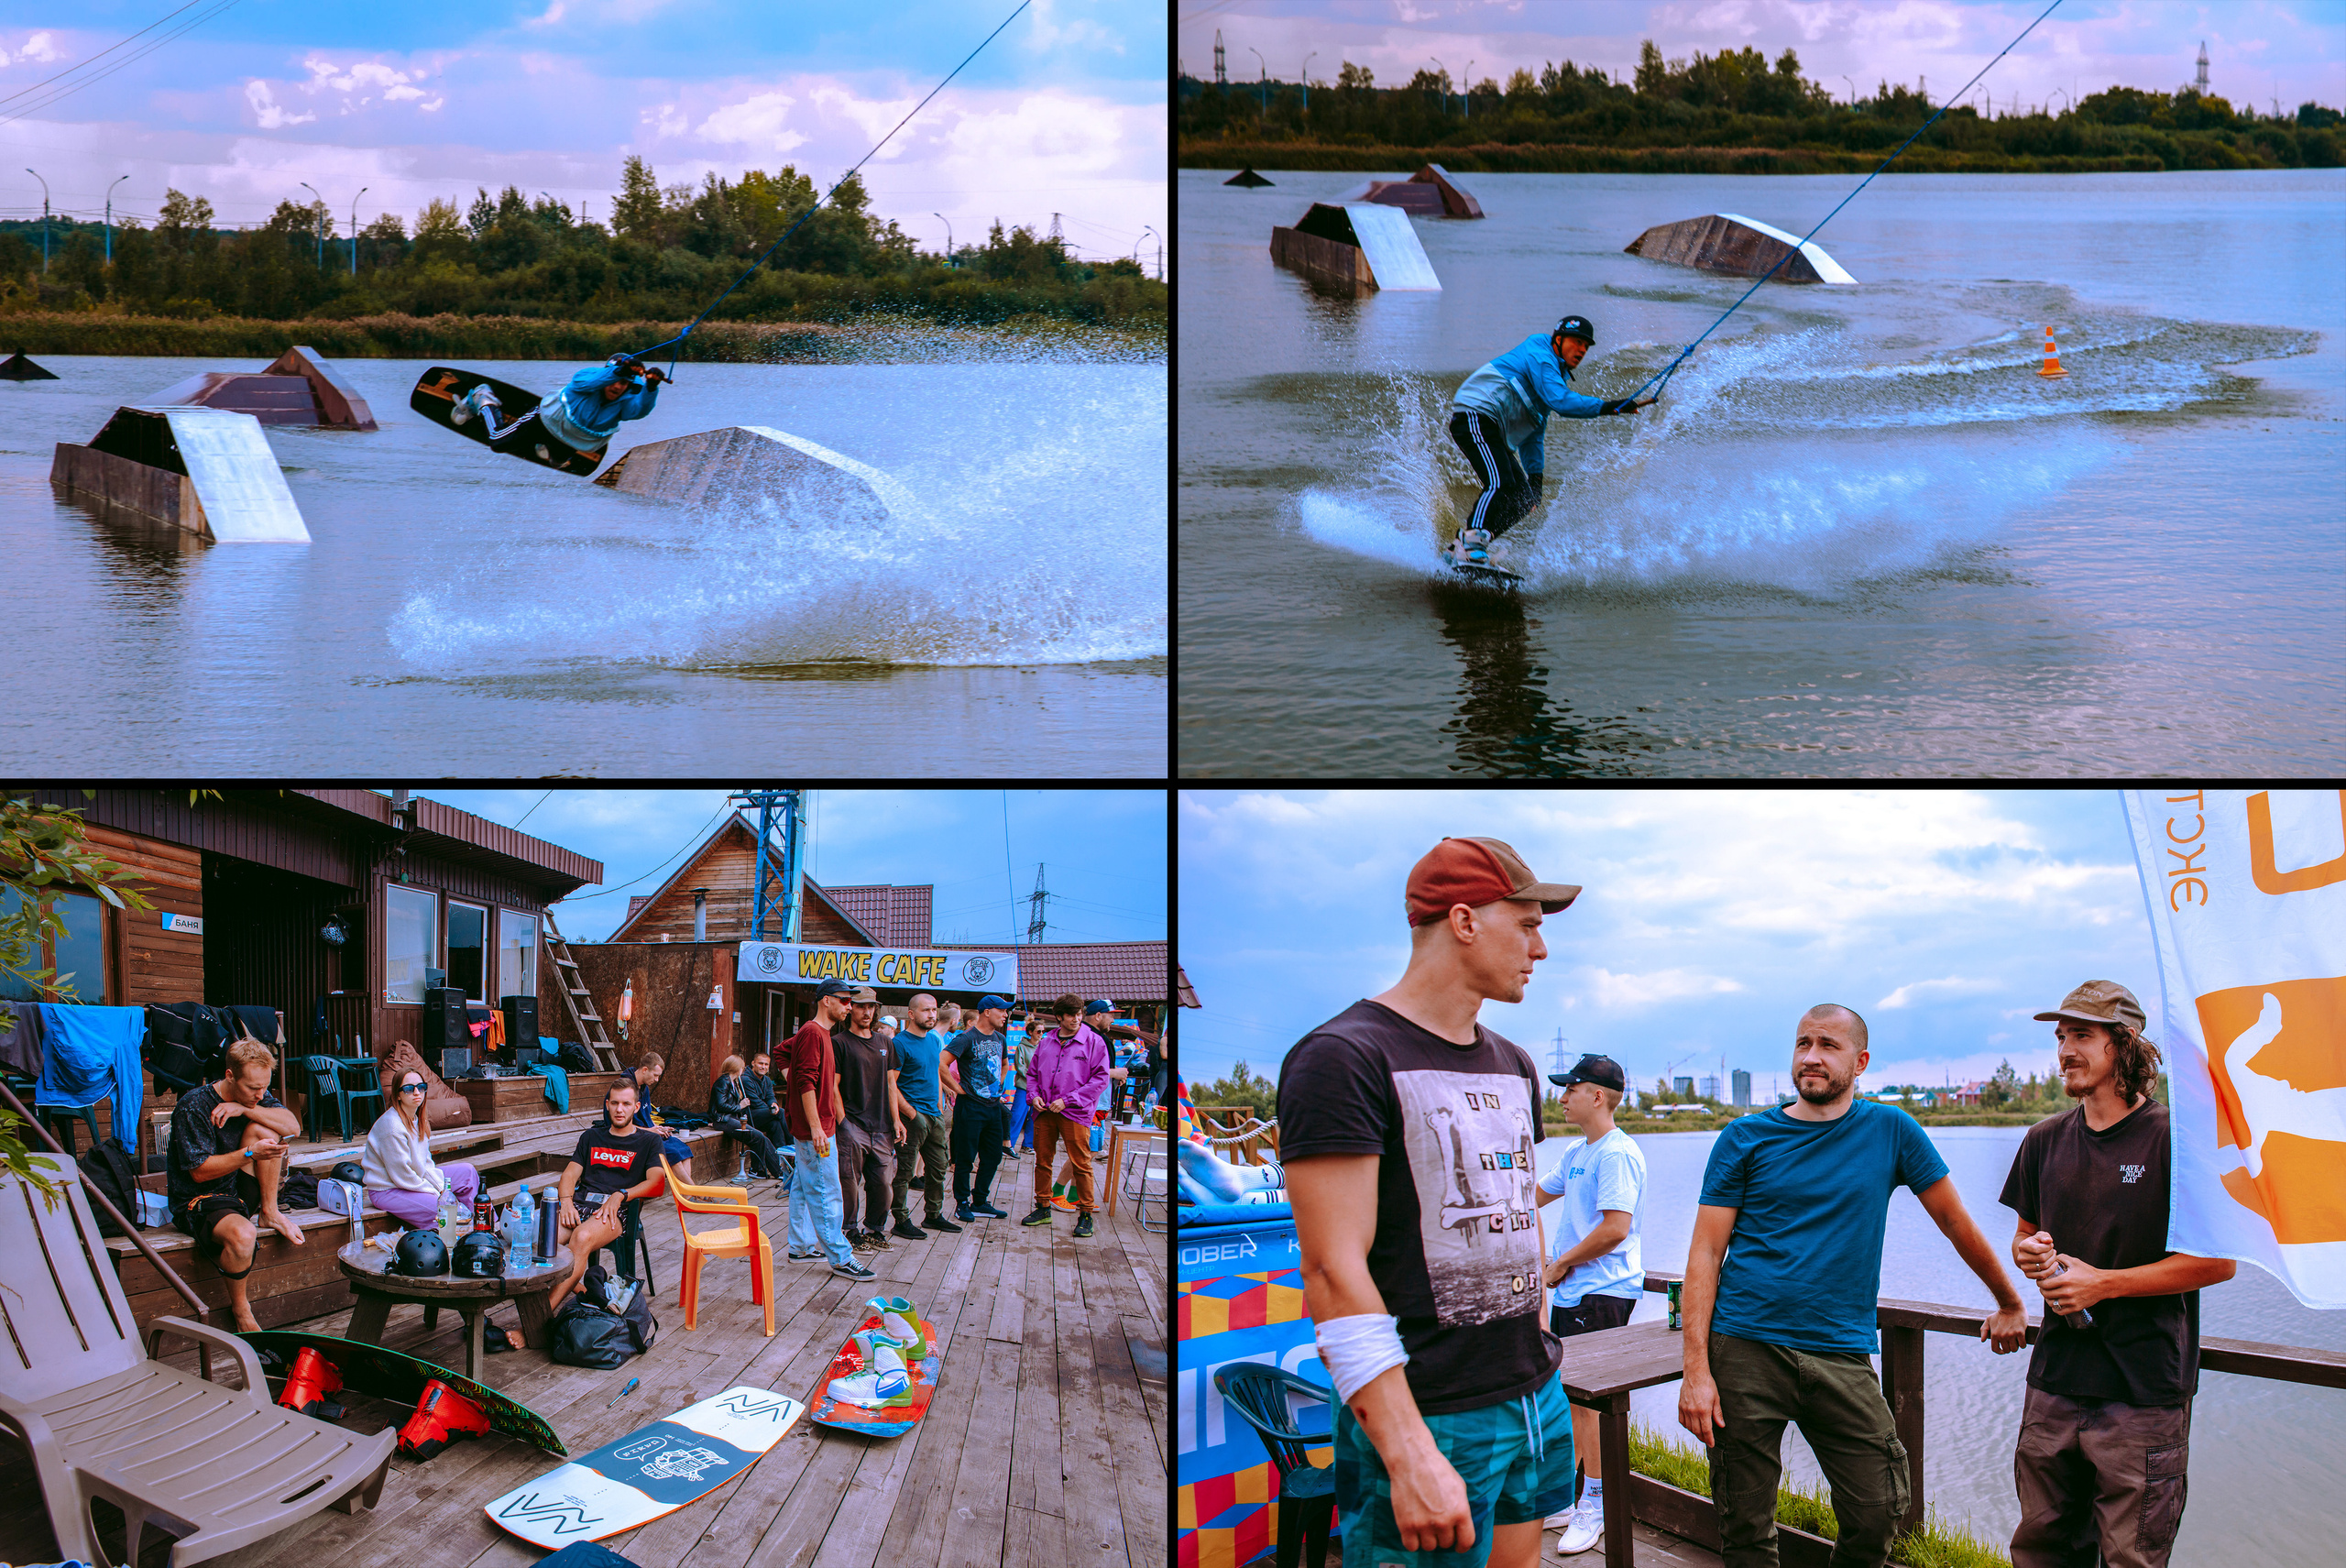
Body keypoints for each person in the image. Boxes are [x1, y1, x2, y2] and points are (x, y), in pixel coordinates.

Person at [1281, 836, 1583, 1568]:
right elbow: (1329, 1269)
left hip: (1533, 1391)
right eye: (1529, 921)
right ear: (1464, 920)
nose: (1541, 947)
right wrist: (1407, 1449)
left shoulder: (1515, 1062)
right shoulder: (1344, 1056)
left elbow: (1521, 1211)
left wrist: (1536, 1337)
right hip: (1429, 1409)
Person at [1680, 1003, 2029, 1568]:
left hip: (1839, 1351)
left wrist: (2009, 1299)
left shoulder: (1891, 1130)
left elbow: (1955, 1222)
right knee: (1743, 1520)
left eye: (1828, 1045)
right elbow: (1704, 1255)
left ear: (1860, 1061)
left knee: (1878, 1505)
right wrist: (1697, 1371)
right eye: (1802, 1043)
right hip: (1745, 1346)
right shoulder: (1744, 1138)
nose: (1811, 1057)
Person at [2001, 981, 2234, 1568]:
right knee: (2041, 1549)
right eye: (2060, 1037)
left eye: (2082, 1035)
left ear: (2124, 1042)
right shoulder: (2043, 1140)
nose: (2065, 1051)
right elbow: (2025, 1236)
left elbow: (2218, 1263)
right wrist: (2031, 1255)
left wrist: (2103, 1283)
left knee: (2133, 1557)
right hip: (2054, 1381)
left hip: (2143, 1390)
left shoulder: (2175, 1143)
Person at [1533, 1053, 1646, 1558]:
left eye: (1569, 1088)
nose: (1561, 1097)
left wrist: (1559, 1265)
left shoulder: (1615, 1154)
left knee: (1590, 1406)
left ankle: (1596, 1505)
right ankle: (1581, 1496)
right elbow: (1532, 1195)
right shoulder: (1580, 1152)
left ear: (1596, 1096)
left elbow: (1615, 1228)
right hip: (1577, 1292)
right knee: (1571, 1400)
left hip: (1602, 1291)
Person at [1447, 315, 1655, 565]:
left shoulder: (1555, 374)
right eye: (1577, 342)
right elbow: (1561, 402)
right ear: (1558, 339)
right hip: (1475, 414)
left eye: (1586, 347)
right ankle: (1470, 543)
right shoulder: (1540, 354)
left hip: (1492, 427)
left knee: (1525, 499)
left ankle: (1462, 547)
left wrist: (1536, 479)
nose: (1581, 350)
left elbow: (1534, 429)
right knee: (1500, 481)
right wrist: (1609, 407)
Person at [167, 1038, 308, 1332]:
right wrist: (248, 1154)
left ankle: (269, 1211)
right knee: (244, 1236)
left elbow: (293, 1126)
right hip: (199, 1200)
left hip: (237, 1195)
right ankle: (241, 1309)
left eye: (264, 1088)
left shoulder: (252, 1096)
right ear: (230, 1076)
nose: (260, 1094)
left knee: (265, 1129)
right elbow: (199, 1173)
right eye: (252, 1088)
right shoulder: (194, 1106)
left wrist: (243, 1109)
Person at [545, 1079, 668, 1319]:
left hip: (617, 1211)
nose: (619, 1109)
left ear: (636, 1107)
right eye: (614, 1103)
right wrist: (566, 1201)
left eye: (625, 1104)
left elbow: (657, 1183)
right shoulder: (591, 1137)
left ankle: (539, 1318)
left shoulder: (649, 1141)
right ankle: (577, 1288)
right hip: (580, 1204)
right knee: (543, 1235)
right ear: (607, 1105)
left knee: (581, 1237)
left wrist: (622, 1194)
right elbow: (570, 1174)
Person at [786, 979, 875, 1279]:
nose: (849, 1007)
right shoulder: (813, 1032)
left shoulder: (818, 1033)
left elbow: (783, 1054)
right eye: (845, 1001)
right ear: (827, 1000)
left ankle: (799, 1246)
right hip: (817, 1128)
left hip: (817, 1126)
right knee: (827, 1192)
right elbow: (805, 1081)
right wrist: (815, 1127)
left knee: (802, 1185)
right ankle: (840, 1256)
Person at [454, 354, 665, 456]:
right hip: (545, 421)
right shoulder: (587, 380)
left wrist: (651, 387)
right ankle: (483, 398)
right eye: (615, 380)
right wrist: (618, 372)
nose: (618, 387)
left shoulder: (625, 402)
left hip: (574, 438)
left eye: (624, 384)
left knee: (559, 460)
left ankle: (543, 445)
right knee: (497, 442)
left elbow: (639, 411)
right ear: (608, 375)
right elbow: (594, 381)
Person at [1023, 995, 1112, 1238]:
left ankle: (1085, 1216)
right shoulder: (1046, 1042)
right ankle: (1043, 1208)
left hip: (1075, 1111)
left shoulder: (1094, 1042)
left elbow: (1100, 1080)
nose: (1076, 1019)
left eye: (1079, 1014)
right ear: (1060, 1017)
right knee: (1043, 1161)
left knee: (1081, 1164)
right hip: (1044, 1111)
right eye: (1071, 1015)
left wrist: (1068, 1100)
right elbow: (1032, 1074)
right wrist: (1033, 1096)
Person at [364, 1067, 484, 1229]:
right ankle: (462, 1236)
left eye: (421, 1087)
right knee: (446, 1209)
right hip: (388, 1189)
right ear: (397, 1095)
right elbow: (403, 1176)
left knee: (467, 1173)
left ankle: (481, 1227)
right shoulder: (392, 1127)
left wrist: (441, 1188)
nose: (416, 1092)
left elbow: (425, 1164)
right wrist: (439, 1194)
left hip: (414, 1180)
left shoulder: (417, 1119)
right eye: (408, 1089)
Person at [832, 987, 904, 1251]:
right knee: (849, 1181)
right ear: (851, 1008)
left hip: (882, 1125)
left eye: (871, 1006)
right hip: (853, 1123)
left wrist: (896, 1120)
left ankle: (874, 1229)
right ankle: (849, 1230)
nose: (867, 1011)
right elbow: (833, 1086)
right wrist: (843, 1124)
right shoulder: (839, 1042)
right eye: (861, 1006)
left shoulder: (885, 1043)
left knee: (883, 1183)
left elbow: (891, 1085)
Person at [890, 992, 959, 1238]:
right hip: (913, 1116)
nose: (931, 1015)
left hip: (934, 1114)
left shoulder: (933, 1040)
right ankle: (901, 1219)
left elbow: (936, 1072)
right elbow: (891, 1084)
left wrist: (942, 1098)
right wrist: (910, 1112)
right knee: (906, 1171)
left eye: (934, 1010)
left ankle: (933, 1215)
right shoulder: (900, 1043)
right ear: (911, 1014)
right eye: (925, 1010)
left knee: (939, 1167)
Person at [947, 994, 1017, 1223]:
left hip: (993, 1106)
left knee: (994, 1155)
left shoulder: (1000, 1038)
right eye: (1002, 1011)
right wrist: (958, 1089)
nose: (1005, 1015)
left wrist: (998, 1085)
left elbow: (1005, 1063)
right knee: (965, 1158)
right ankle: (962, 1203)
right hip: (970, 1106)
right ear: (987, 1011)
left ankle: (980, 1201)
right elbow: (941, 1062)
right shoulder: (966, 1038)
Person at [605, 1050, 693, 1168]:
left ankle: (689, 1187)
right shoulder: (624, 1088)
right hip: (631, 1138)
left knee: (684, 1149)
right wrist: (651, 1131)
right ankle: (690, 1187)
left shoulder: (644, 1088)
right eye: (655, 1075)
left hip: (647, 1133)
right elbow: (617, 1125)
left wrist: (659, 1129)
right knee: (673, 1154)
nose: (657, 1080)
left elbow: (646, 1118)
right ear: (645, 1070)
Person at [708, 1054, 787, 1181]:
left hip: (731, 1119)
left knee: (761, 1136)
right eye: (742, 1067)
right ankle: (778, 1172)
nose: (744, 1070)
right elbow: (721, 1105)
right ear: (736, 1068)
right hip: (723, 1120)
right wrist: (740, 1106)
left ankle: (762, 1170)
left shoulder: (733, 1081)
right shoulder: (723, 1082)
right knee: (759, 1136)